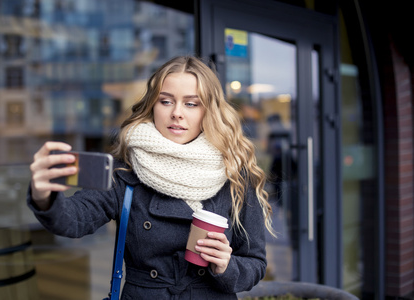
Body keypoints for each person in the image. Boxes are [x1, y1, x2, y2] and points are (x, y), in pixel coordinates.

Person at [28, 56, 275, 299]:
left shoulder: (234, 173)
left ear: (208, 111)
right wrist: (44, 195)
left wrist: (226, 266)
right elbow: (73, 220)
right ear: (152, 106)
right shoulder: (126, 171)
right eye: (166, 101)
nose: (177, 113)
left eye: (191, 104)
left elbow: (255, 263)